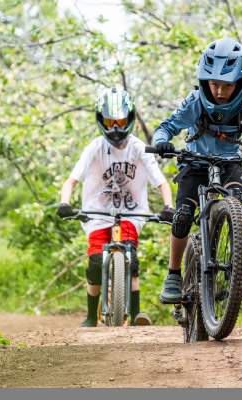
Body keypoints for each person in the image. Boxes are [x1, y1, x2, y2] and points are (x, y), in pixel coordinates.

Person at [153, 37, 242, 304]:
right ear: (204, 81)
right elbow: (167, 127)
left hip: (230, 163)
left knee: (238, 203)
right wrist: (161, 142)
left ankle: (237, 269)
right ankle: (173, 274)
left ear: (240, 83)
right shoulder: (195, 102)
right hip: (194, 162)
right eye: (214, 84)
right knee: (183, 215)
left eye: (227, 85)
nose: (220, 92)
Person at [58, 86, 174, 327]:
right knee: (95, 262)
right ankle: (91, 315)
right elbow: (71, 180)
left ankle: (137, 312)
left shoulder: (139, 148)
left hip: (132, 212)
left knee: (130, 254)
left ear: (130, 119)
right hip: (97, 213)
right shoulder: (94, 148)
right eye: (110, 122)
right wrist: (65, 203)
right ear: (101, 121)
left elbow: (161, 182)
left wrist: (168, 206)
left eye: (121, 121)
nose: (116, 128)